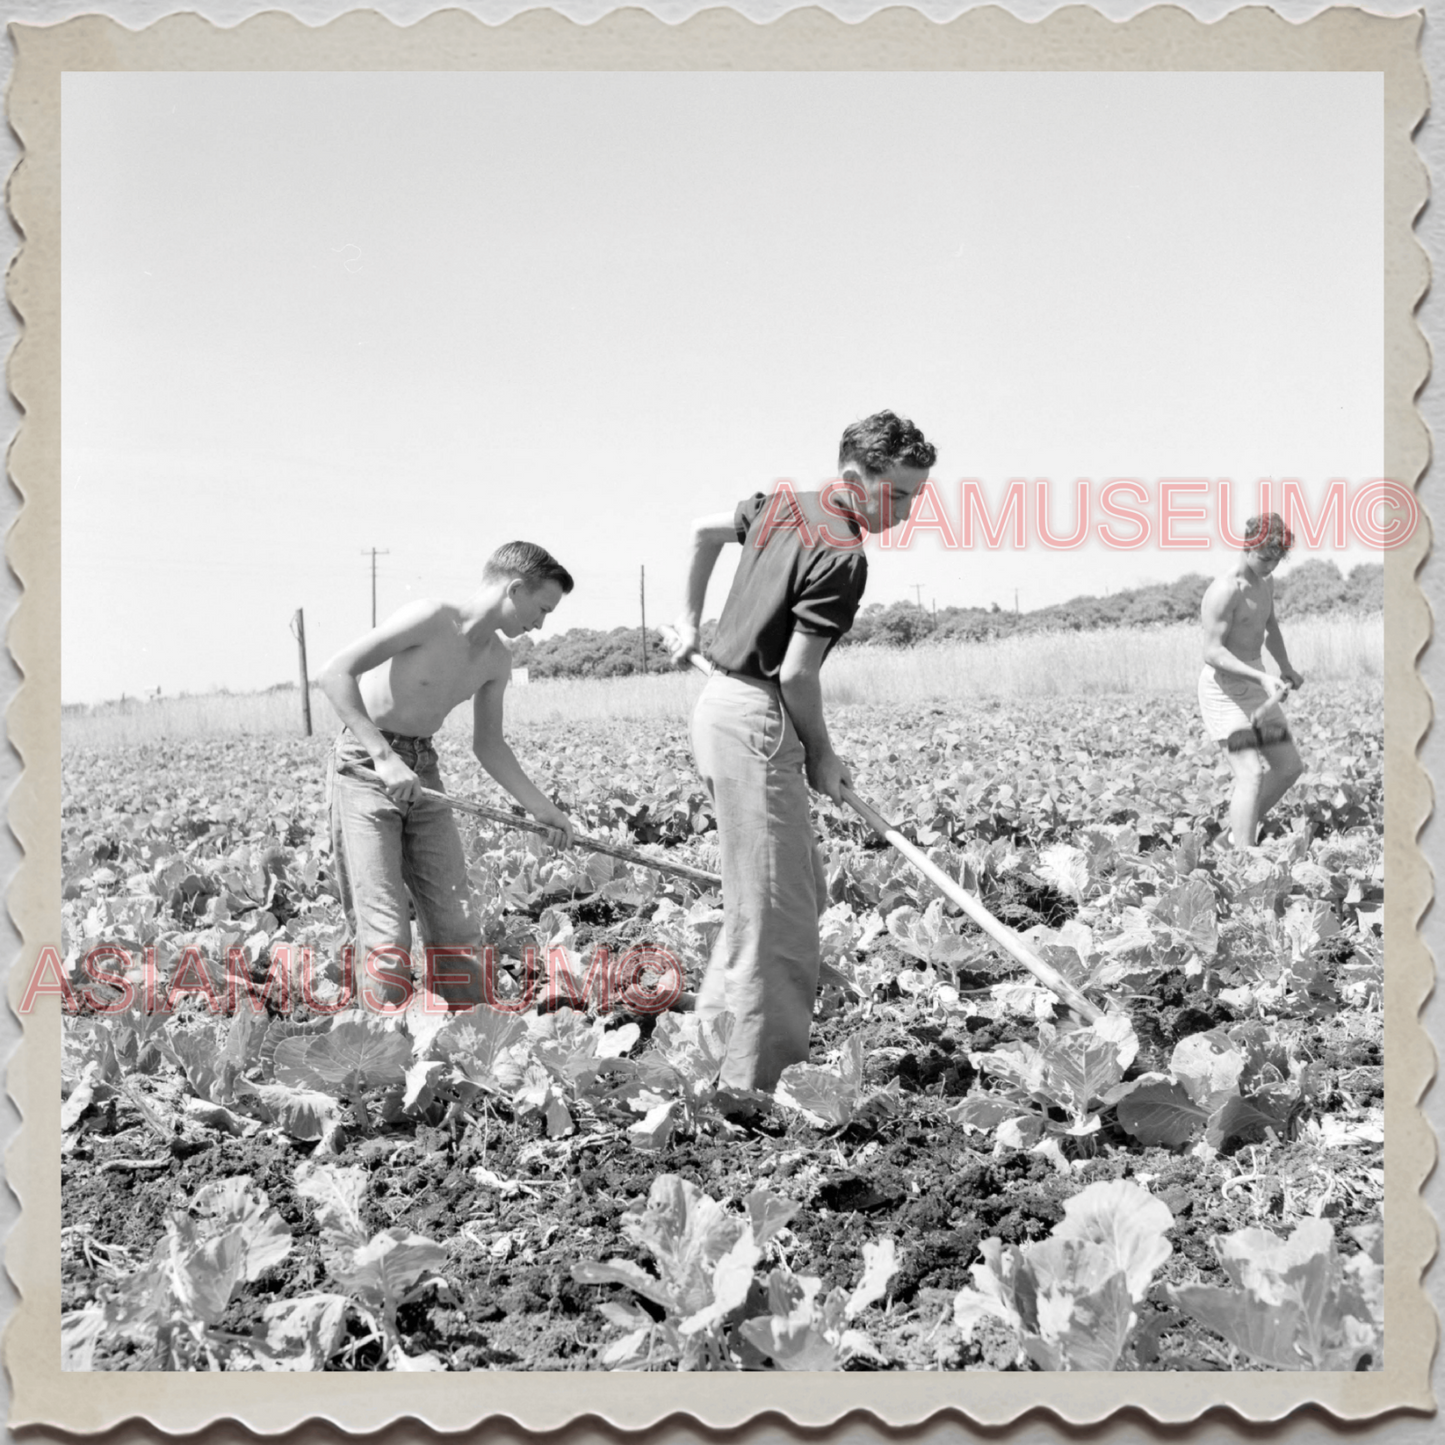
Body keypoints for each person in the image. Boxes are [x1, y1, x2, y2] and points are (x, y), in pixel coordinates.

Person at [670, 410, 936, 1091]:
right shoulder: (843, 555)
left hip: (723, 709)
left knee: (787, 894)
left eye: (915, 497)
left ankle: (708, 1049)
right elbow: (795, 673)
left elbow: (700, 534)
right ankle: (756, 1085)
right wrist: (822, 754)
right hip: (757, 718)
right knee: (778, 915)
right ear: (855, 477)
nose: (905, 512)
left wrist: (686, 621)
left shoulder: (781, 503)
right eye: (897, 495)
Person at [319, 542, 576, 1008]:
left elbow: (489, 745)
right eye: (541, 609)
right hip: (364, 766)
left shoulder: (498, 660)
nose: (539, 624)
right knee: (385, 933)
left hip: (424, 775)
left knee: (457, 924)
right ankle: (384, 1056)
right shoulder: (431, 617)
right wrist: (381, 755)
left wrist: (544, 810)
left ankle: (470, 1041)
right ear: (514, 588)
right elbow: (336, 673)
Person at [1198, 512, 1306, 850]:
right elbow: (1212, 653)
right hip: (1225, 694)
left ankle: (1231, 838)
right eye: (1265, 558)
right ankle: (1242, 861)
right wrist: (1262, 675)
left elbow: (1269, 627)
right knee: (1251, 774)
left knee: (1289, 767)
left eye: (1277, 560)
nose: (1271, 566)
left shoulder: (1266, 583)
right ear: (1248, 546)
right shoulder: (1224, 591)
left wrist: (1285, 667)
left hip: (1259, 693)